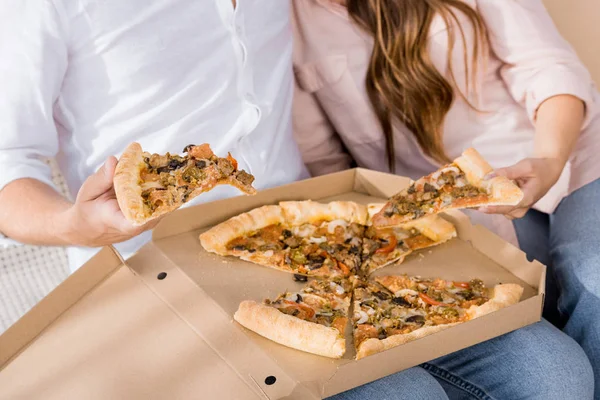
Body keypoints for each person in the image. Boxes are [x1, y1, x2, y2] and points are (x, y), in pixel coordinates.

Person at [0, 1, 533, 399]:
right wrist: (75, 224)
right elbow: (7, 165)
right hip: (151, 259)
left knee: (553, 374)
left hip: (313, 224)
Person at [292, 0, 599, 398]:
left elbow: (547, 67)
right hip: (449, 213)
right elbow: (327, 164)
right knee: (546, 361)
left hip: (570, 156)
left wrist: (550, 158)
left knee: (594, 278)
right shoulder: (285, 21)